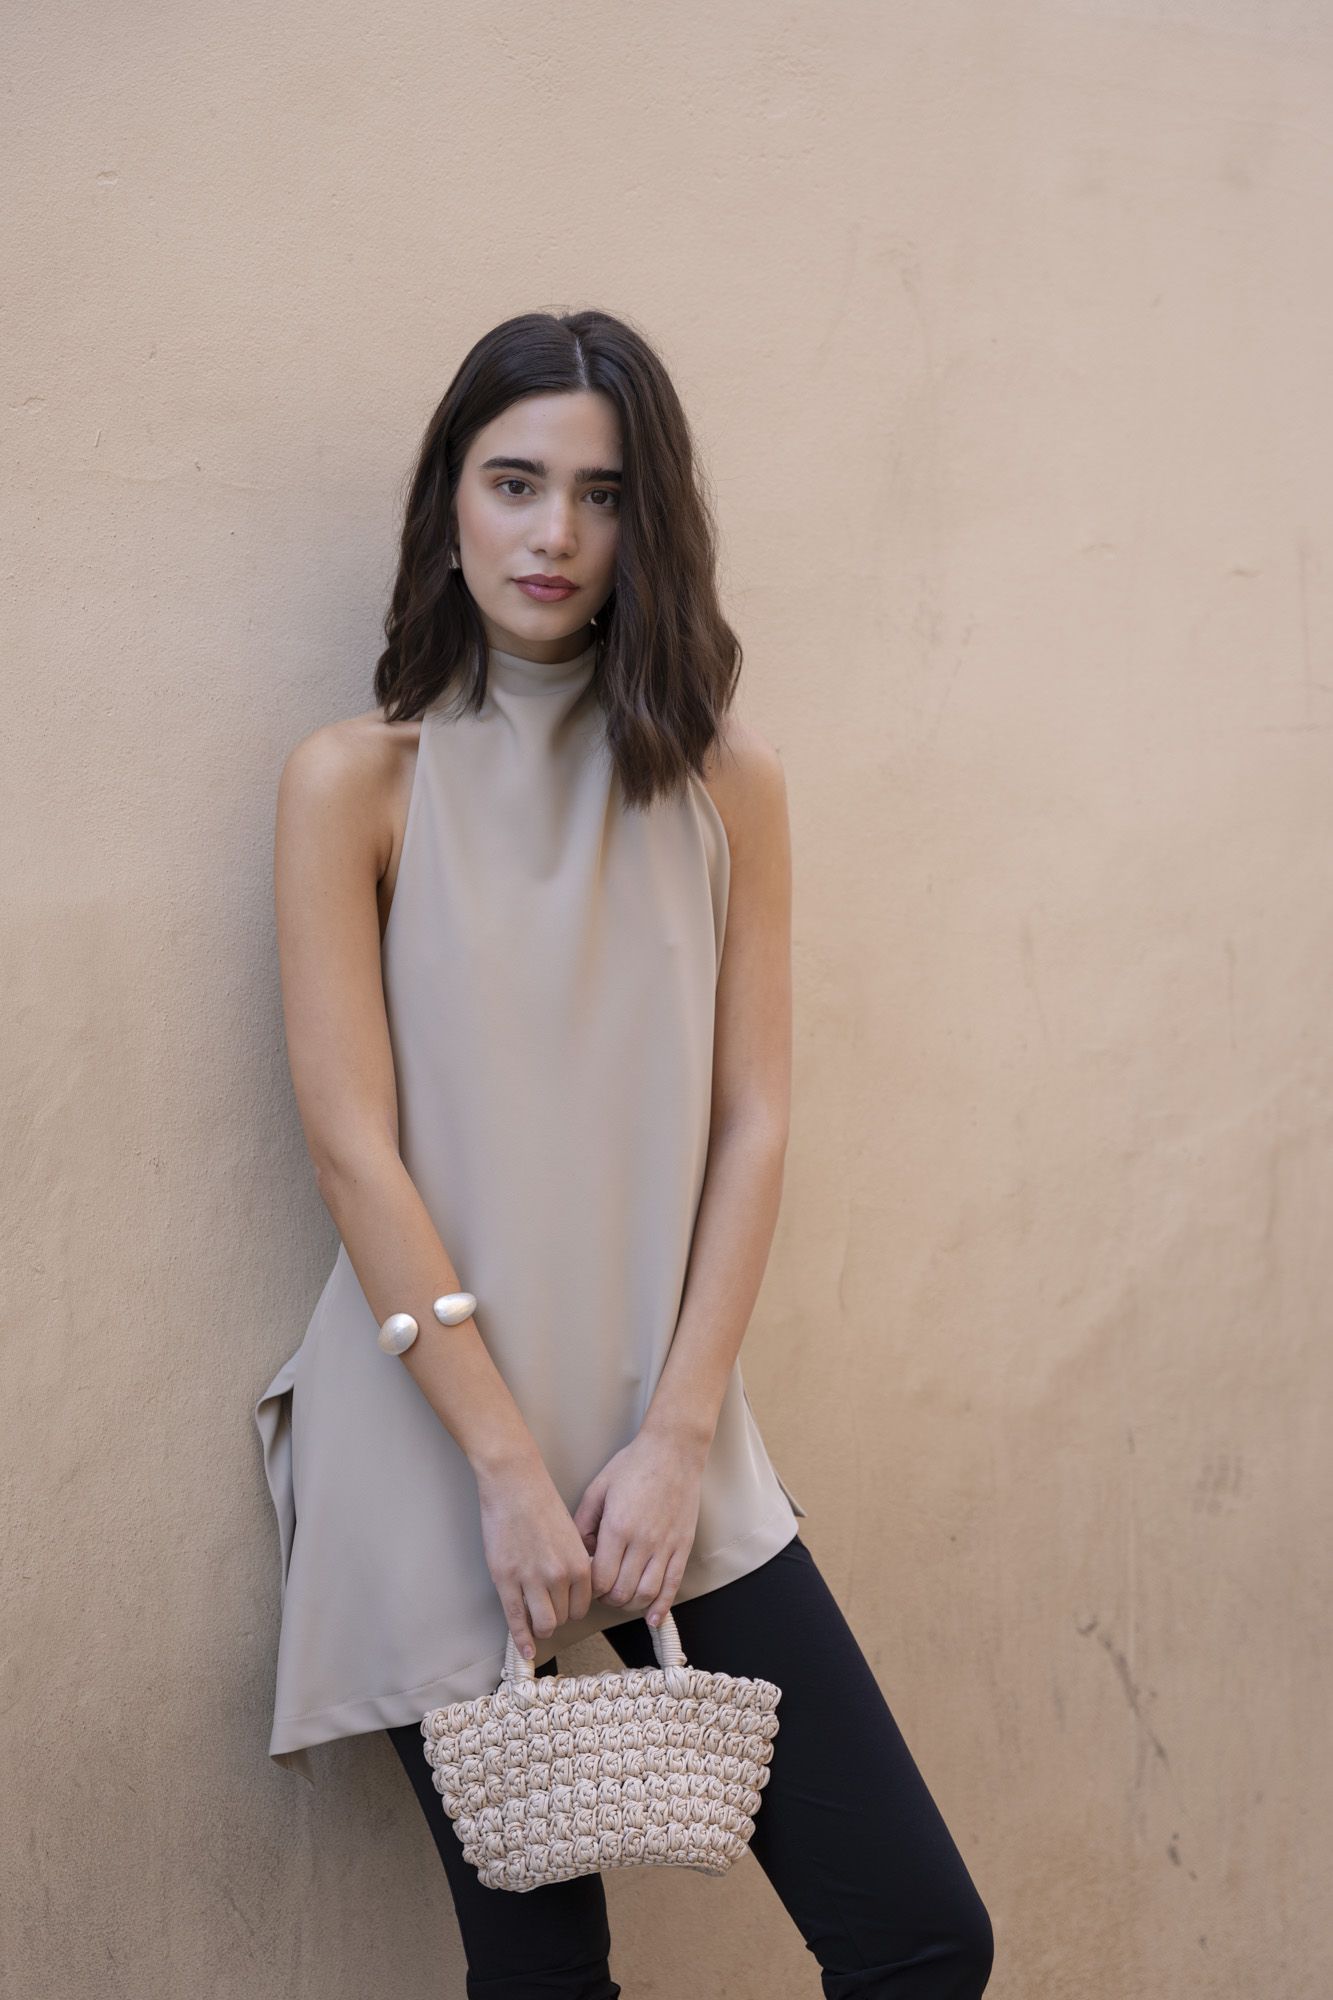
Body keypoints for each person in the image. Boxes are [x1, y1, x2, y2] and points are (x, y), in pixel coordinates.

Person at [254, 309, 993, 1998]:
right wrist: (506, 1472)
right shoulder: (354, 784)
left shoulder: (726, 782)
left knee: (919, 1936)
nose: (554, 534)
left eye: (599, 495)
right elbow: (352, 1148)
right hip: (433, 1438)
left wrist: (676, 1434)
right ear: (447, 501)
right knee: (545, 1980)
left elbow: (752, 1120)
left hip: (668, 1434)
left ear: (645, 522)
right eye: (514, 483)